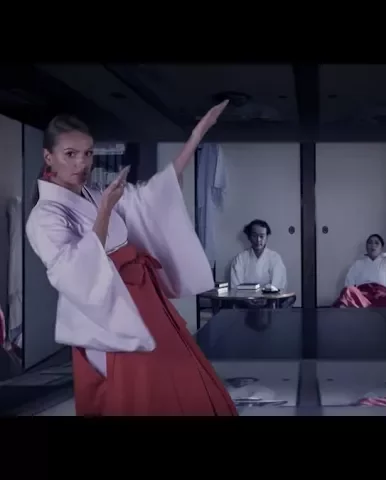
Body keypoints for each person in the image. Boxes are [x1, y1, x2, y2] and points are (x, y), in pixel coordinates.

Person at [26, 101, 238, 416]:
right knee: (141, 394)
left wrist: (197, 135)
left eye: (87, 153)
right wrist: (104, 210)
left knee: (182, 377)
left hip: (144, 297)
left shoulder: (93, 193)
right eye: (70, 154)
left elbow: (150, 197)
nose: (81, 163)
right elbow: (74, 271)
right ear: (49, 157)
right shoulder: (44, 216)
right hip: (109, 311)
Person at [333, 234, 386, 308]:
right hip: (362, 298)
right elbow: (349, 284)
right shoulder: (358, 264)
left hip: (382, 298)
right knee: (348, 291)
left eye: (376, 243)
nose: (373, 245)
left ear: (381, 248)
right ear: (366, 247)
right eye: (370, 243)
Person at [229, 219, 287, 291]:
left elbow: (278, 286)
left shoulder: (275, 258)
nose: (258, 240)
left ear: (266, 237)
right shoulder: (239, 259)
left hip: (270, 297)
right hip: (244, 297)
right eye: (254, 235)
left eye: (261, 236)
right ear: (249, 237)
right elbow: (235, 288)